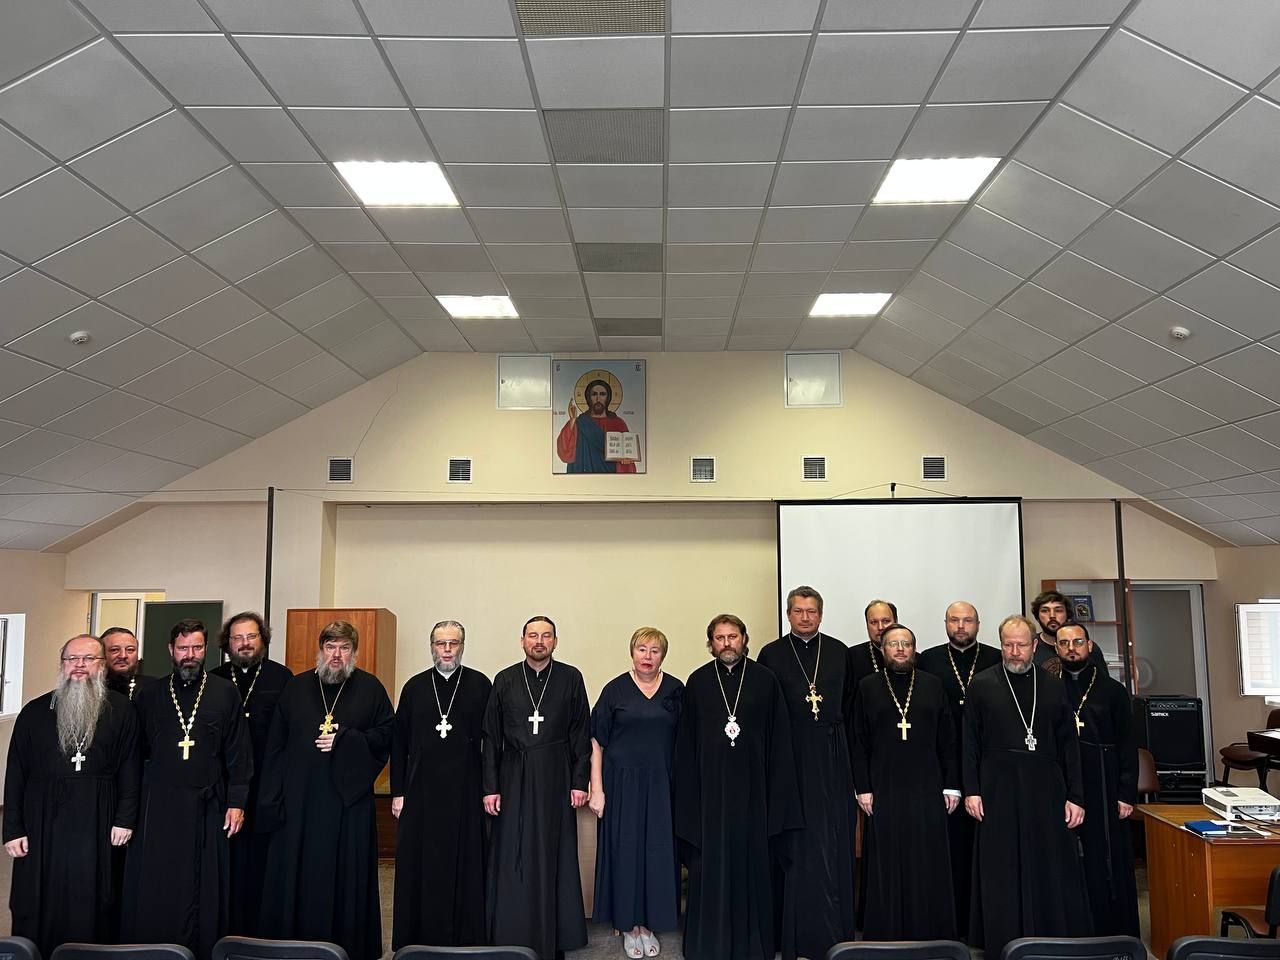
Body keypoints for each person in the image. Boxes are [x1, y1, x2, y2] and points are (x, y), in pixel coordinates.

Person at [257, 621, 394, 960]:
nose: (336, 655)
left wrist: (346, 740)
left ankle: (347, 946)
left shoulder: (371, 688)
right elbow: (275, 746)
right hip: (300, 802)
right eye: (330, 647)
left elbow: (386, 737)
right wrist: (271, 799)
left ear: (354, 652)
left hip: (347, 805)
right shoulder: (296, 688)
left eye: (344, 648)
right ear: (320, 650)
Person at [122, 619, 252, 960]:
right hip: (159, 804)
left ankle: (205, 947)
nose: (189, 655)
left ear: (206, 649)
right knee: (161, 879)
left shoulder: (225, 692)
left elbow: (239, 752)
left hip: (209, 802)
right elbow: (134, 755)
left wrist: (237, 801)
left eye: (196, 647)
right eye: (183, 648)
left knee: (204, 882)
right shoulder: (150, 695)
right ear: (171, 650)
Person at [4, 634, 140, 955]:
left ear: (102, 665)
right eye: (72, 659)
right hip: (42, 818)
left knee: (95, 892)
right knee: (40, 893)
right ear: (62, 664)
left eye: (89, 659)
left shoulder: (121, 710)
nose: (79, 666)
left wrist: (125, 819)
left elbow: (130, 768)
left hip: (98, 815)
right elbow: (16, 773)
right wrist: (12, 828)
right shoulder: (35, 711)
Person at [675, 615, 801, 960]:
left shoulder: (765, 680)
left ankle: (753, 946)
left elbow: (779, 742)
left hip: (754, 794)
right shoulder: (698, 681)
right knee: (710, 866)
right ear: (710, 643)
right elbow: (686, 746)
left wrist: (778, 797)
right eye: (720, 638)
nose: (727, 643)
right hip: (710, 796)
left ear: (745, 639)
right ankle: (708, 945)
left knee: (752, 867)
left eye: (733, 636)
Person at [963, 615, 1090, 953]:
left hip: (1045, 787)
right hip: (997, 786)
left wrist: (1076, 796)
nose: (1015, 652)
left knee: (1046, 861)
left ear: (1035, 645)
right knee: (1001, 864)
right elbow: (969, 742)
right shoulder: (982, 684)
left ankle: (1048, 936)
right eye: (1008, 645)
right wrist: (972, 791)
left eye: (1021, 645)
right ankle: (1002, 939)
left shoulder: (1053, 686)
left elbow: (1069, 745)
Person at [483, 616, 591, 960]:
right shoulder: (504, 679)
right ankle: (512, 932)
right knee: (512, 853)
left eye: (546, 636)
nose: (539, 641)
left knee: (552, 852)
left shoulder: (571, 678)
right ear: (522, 641)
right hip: (513, 775)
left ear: (555, 642)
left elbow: (581, 734)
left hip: (555, 776)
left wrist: (579, 781)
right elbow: (491, 738)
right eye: (533, 635)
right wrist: (490, 787)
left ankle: (553, 934)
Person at [757, 587, 856, 960]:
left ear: (821, 614)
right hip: (791, 755)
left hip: (832, 754)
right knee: (796, 842)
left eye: (811, 611)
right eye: (798, 611)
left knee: (832, 840)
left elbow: (850, 706)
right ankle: (793, 935)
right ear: (788, 614)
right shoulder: (771, 654)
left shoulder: (840, 652)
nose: (805, 617)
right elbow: (766, 712)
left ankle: (835, 931)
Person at [852, 623, 958, 940]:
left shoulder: (932, 685)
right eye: (893, 644)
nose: (900, 649)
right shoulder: (867, 686)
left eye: (906, 644)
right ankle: (887, 932)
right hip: (883, 786)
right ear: (882, 650)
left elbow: (948, 740)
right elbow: (858, 741)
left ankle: (930, 931)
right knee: (887, 857)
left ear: (914, 649)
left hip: (927, 784)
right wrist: (863, 788)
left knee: (926, 856)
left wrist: (951, 785)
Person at [392, 621, 492, 949]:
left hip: (467, 791)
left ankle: (466, 938)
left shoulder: (480, 685)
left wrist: (491, 788)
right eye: (440, 643)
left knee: (467, 864)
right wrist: (398, 792)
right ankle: (420, 939)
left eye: (453, 643)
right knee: (423, 866)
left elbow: (493, 741)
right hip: (421, 792)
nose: (447, 650)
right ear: (431, 646)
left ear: (462, 645)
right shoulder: (414, 687)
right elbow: (398, 743)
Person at [590, 627, 684, 959]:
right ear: (632, 653)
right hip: (621, 785)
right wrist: (597, 789)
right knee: (626, 853)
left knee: (658, 853)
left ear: (663, 655)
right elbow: (596, 742)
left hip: (662, 785)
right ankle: (630, 927)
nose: (647, 656)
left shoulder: (676, 690)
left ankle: (649, 924)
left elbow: (687, 742)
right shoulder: (614, 690)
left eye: (654, 650)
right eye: (642, 649)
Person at [917, 601, 1001, 935]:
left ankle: (984, 922)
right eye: (955, 620)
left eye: (967, 620)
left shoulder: (996, 659)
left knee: (986, 846)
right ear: (945, 623)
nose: (961, 626)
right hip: (944, 764)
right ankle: (950, 922)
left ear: (978, 624)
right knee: (950, 846)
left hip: (988, 763)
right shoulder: (929, 660)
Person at [210, 611, 292, 936]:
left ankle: (263, 934)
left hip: (267, 786)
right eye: (237, 638)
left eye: (251, 637)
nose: (245, 643)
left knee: (263, 863)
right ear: (227, 643)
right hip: (224, 788)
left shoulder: (282, 678)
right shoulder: (214, 680)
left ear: (263, 639)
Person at [1056, 622, 1140, 937]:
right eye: (1064, 643)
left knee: (1105, 856)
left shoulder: (1112, 690)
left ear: (1090, 646)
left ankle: (1111, 931)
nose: (1071, 649)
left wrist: (1126, 793)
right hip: (1064, 780)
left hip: (1104, 782)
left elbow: (1127, 743)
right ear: (1056, 648)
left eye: (1077, 642)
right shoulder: (1049, 688)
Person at [556, 378, 637, 474]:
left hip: (611, 477)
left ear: (608, 398)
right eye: (594, 394)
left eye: (602, 394)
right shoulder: (579, 423)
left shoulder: (618, 423)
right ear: (588, 398)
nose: (598, 399)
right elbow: (565, 453)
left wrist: (627, 459)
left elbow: (627, 454)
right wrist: (573, 420)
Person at [1031, 591, 1107, 677]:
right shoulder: (1030, 646)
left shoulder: (1086, 647)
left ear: (1067, 615)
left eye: (1058, 610)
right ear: (1037, 616)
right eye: (1045, 611)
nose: (1052, 615)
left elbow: (1104, 682)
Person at [845, 599, 897, 699]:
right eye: (874, 622)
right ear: (867, 625)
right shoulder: (852, 657)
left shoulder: (912, 658)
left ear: (896, 622)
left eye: (886, 621)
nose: (880, 627)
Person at [102, 626, 156, 702]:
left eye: (130, 650)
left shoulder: (154, 687)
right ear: (102, 654)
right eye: (114, 650)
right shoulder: (90, 687)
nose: (123, 656)